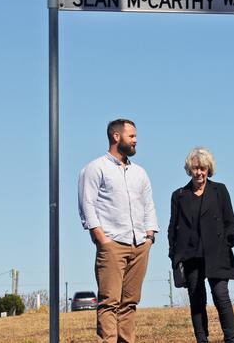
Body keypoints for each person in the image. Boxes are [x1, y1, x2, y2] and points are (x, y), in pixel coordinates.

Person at [78, 119, 159, 343]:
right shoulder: (95, 168)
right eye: (131, 136)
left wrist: (150, 236)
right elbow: (87, 204)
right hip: (112, 243)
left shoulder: (140, 173)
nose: (136, 140)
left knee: (130, 303)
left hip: (140, 244)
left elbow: (148, 204)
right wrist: (101, 238)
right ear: (116, 137)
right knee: (109, 302)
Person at [168, 147, 234, 343]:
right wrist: (174, 255)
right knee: (197, 300)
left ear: (209, 169)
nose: (199, 172)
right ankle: (202, 339)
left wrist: (228, 242)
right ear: (189, 169)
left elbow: (230, 221)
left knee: (221, 296)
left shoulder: (220, 190)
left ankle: (231, 339)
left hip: (217, 252)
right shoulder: (179, 195)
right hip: (190, 254)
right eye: (195, 168)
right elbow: (172, 227)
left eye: (203, 168)